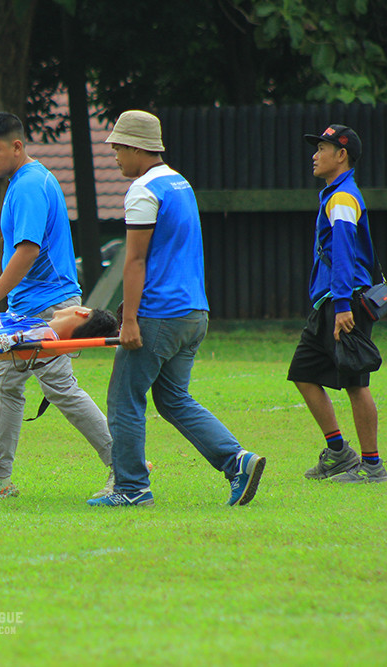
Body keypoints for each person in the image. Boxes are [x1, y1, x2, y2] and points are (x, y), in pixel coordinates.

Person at [90, 110, 265, 508]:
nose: (114, 153)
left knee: (124, 398)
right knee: (172, 399)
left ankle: (132, 488)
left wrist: (130, 319)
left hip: (159, 315)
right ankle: (237, 460)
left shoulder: (142, 190)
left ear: (137, 147)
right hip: (193, 312)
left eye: (118, 146)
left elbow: (134, 261)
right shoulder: (179, 183)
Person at [0, 111, 116, 499]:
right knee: (6, 383)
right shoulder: (28, 180)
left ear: (17, 147)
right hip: (30, 307)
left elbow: (27, 250)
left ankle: (126, 465)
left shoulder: (27, 185)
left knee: (59, 385)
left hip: (50, 306)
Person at [289, 125, 387, 484]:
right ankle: (338, 453)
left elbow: (345, 254)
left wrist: (344, 305)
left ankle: (372, 466)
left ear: (341, 154)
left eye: (322, 148)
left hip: (346, 301)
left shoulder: (342, 198)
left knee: (355, 382)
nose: (315, 154)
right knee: (303, 372)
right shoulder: (334, 194)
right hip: (330, 300)